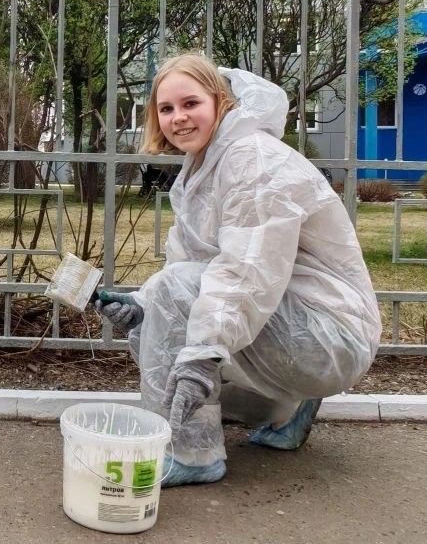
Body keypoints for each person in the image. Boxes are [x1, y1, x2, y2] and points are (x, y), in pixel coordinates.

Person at [96, 53, 381, 487]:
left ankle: (192, 454)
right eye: (166, 108)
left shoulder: (253, 160)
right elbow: (191, 265)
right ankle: (289, 407)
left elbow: (247, 272)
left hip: (328, 336)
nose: (178, 118)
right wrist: (139, 306)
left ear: (220, 101)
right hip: (298, 326)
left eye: (190, 103)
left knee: (186, 330)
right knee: (155, 321)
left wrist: (200, 354)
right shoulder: (203, 166)